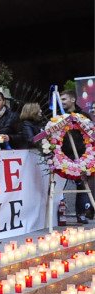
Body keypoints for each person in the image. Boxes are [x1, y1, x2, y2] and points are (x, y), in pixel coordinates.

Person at [61, 89, 94, 223]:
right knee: (60, 186)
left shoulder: (84, 116)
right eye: (60, 99)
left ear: (73, 100)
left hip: (81, 154)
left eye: (64, 99)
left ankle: (81, 213)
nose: (61, 102)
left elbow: (91, 135)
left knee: (82, 184)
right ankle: (60, 213)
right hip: (63, 155)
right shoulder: (58, 117)